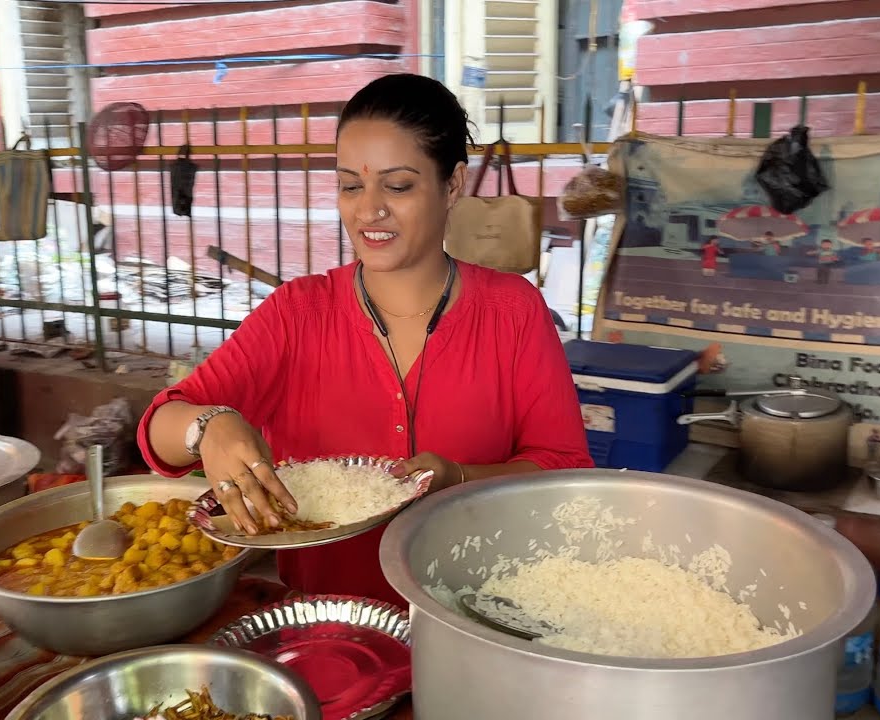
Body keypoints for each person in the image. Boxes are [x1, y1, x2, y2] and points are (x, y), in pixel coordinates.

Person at [136, 74, 593, 605]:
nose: (369, 210)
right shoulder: (298, 313)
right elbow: (157, 430)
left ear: (452, 185)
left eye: (397, 187)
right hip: (329, 632)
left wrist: (459, 477)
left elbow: (563, 469)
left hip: (480, 618)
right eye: (351, 185)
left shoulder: (512, 310)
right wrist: (209, 427)